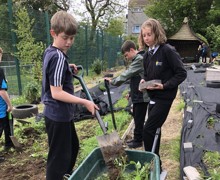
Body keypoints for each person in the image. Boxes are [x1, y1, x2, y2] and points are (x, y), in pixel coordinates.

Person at [41, 11, 98, 180]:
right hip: (58, 115)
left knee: (72, 147)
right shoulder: (58, 57)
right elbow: (56, 92)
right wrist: (84, 101)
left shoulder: (51, 52)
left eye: (72, 38)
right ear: (53, 33)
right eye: (65, 37)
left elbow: (54, 70)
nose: (69, 42)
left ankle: (66, 176)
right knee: (59, 159)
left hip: (57, 114)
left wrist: (67, 67)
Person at [138, 18, 187, 172]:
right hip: (152, 97)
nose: (146, 38)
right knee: (155, 129)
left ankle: (153, 163)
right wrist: (143, 83)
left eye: (149, 34)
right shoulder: (146, 55)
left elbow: (181, 73)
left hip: (164, 98)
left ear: (157, 34)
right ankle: (156, 164)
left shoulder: (167, 51)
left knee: (148, 129)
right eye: (144, 35)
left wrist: (165, 85)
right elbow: (146, 75)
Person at [105, 40, 149, 148]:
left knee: (138, 117)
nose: (126, 58)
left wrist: (113, 82)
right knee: (136, 115)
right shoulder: (137, 59)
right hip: (137, 93)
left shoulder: (139, 60)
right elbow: (134, 78)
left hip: (141, 95)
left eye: (126, 55)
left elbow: (127, 74)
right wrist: (130, 92)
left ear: (131, 50)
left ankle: (138, 141)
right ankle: (138, 137)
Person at [0, 47, 14, 163]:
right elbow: (2, 91)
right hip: (1, 107)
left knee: (8, 124)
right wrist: (10, 105)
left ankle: (8, 143)